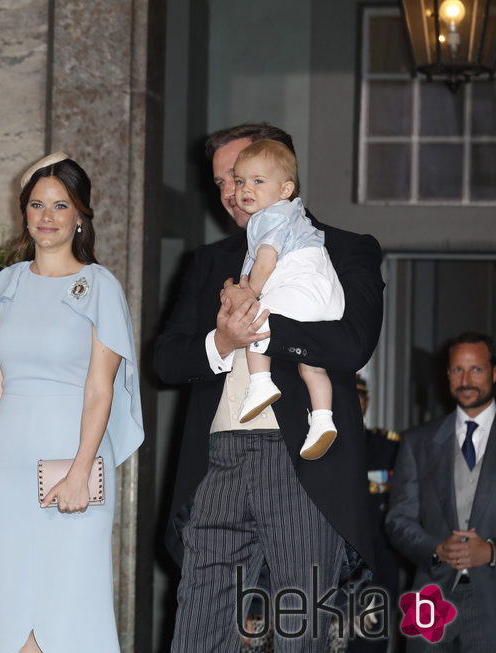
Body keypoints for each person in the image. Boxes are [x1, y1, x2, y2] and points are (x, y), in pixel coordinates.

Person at [154, 123, 384, 651]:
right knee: (198, 628)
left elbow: (351, 345)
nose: (232, 194)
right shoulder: (209, 260)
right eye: (222, 183)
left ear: (283, 179)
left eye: (243, 178)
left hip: (300, 463)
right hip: (217, 461)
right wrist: (222, 341)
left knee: (296, 628)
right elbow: (167, 359)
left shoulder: (345, 248)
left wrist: (264, 328)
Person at [0, 153, 144, 653]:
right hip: (6, 467)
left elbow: (99, 390)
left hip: (71, 463)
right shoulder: (6, 285)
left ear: (79, 215)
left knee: (69, 608)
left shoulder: (101, 286)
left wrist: (82, 470)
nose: (47, 216)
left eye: (60, 205)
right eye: (37, 204)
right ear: (24, 213)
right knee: (9, 607)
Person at [232, 139, 345, 459]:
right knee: (312, 366)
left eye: (257, 181)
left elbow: (266, 262)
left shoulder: (268, 217)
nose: (244, 189)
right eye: (239, 181)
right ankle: (323, 419)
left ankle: (261, 382)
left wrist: (249, 295)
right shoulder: (294, 213)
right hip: (327, 296)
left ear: (285, 190)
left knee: (255, 323)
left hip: (300, 285)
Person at [385, 332, 496, 651]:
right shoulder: (417, 441)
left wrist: (490, 552)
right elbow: (398, 521)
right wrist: (437, 549)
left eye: (475, 369)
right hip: (431, 600)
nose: (466, 380)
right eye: (457, 370)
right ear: (447, 375)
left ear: (494, 372)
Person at [348, 374, 404, 652]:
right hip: (325, 584)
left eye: (358, 398)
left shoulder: (390, 449)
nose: (352, 404)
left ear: (367, 403)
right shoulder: (313, 448)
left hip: (376, 581)